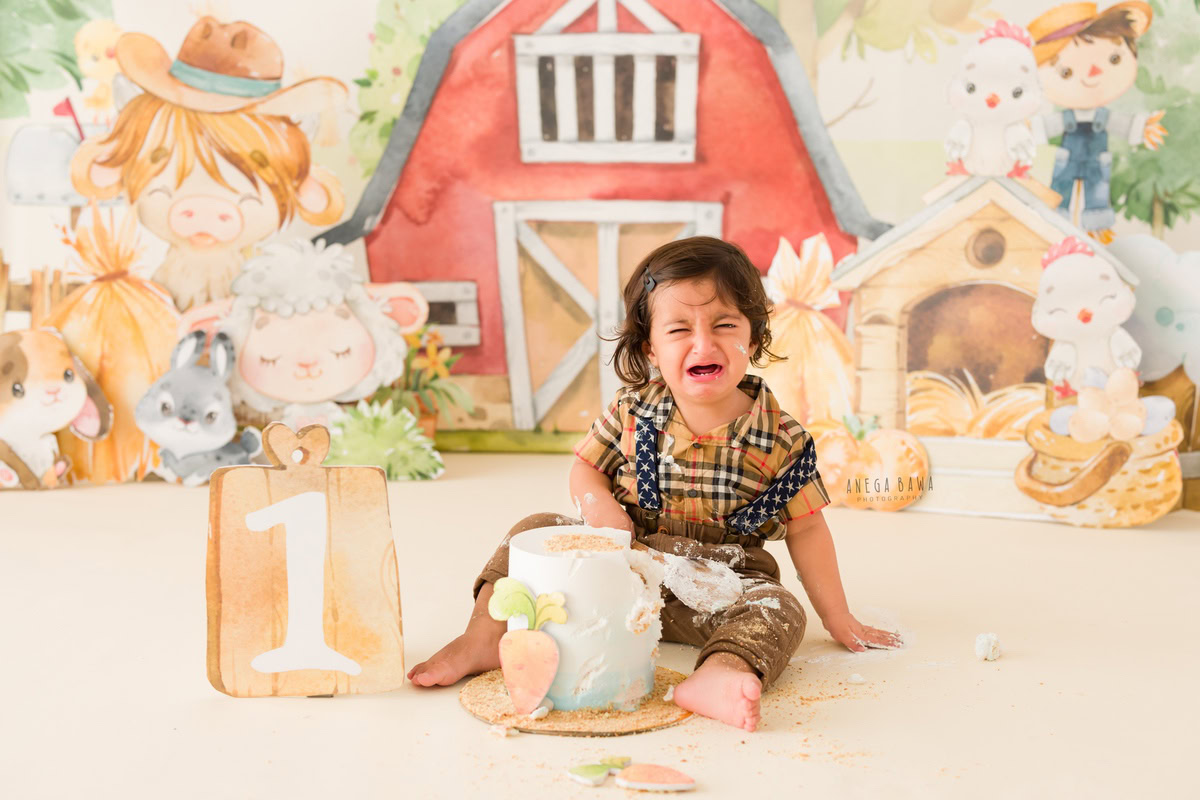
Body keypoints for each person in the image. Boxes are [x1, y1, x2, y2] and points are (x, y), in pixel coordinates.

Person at [408, 236, 901, 731]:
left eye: (724, 325)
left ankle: (719, 672)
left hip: (717, 586)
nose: (703, 344)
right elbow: (585, 469)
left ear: (752, 338)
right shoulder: (633, 410)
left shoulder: (783, 440)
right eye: (679, 328)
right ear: (651, 345)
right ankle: (483, 636)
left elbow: (808, 531)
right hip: (621, 569)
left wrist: (838, 617)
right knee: (531, 531)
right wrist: (597, 502)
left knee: (778, 607)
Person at [1028, 2, 1165, 240]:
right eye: (1066, 72)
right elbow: (1046, 127)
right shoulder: (1065, 117)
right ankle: (1055, 225)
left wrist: (1143, 129)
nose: (1093, 73)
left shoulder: (1105, 116)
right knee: (1060, 189)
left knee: (1098, 192)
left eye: (1113, 59)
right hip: (1067, 160)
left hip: (1097, 162)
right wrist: (1026, 132)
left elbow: (1121, 124)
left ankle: (1098, 227)